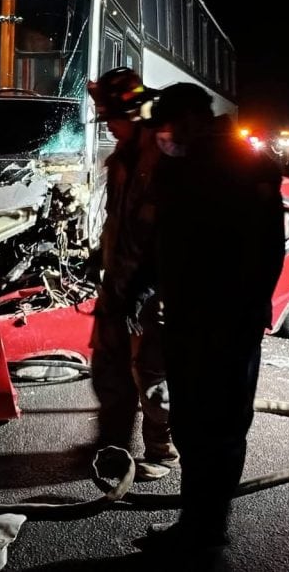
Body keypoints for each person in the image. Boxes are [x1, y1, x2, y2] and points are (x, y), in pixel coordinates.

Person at [135, 82, 286, 565]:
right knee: (198, 424)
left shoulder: (235, 166)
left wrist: (251, 305)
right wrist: (144, 286)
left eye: (170, 127)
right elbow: (166, 240)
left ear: (195, 121)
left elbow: (266, 247)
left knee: (214, 426)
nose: (165, 137)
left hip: (222, 320)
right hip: (195, 316)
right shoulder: (186, 164)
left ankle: (206, 532)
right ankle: (197, 524)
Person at [85, 67, 179, 481]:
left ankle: (162, 451)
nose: (107, 125)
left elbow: (169, 233)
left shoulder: (162, 158)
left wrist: (147, 288)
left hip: (152, 290)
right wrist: (99, 257)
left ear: (134, 111)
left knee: (152, 371)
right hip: (120, 282)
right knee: (110, 367)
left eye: (111, 117)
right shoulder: (122, 158)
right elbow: (117, 221)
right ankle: (112, 446)